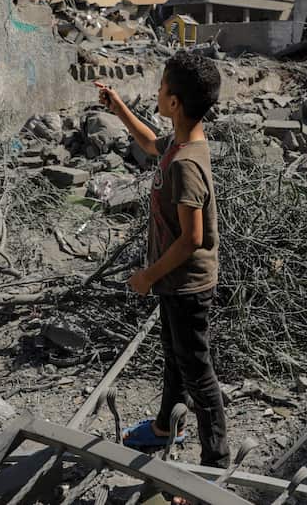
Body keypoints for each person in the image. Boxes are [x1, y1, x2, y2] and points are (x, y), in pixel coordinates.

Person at [95, 52, 230, 469]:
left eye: (161, 87)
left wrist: (146, 276)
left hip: (186, 284)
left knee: (198, 372)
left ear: (174, 103)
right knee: (175, 357)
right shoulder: (179, 142)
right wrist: (119, 108)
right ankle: (166, 428)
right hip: (175, 282)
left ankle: (215, 463)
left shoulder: (187, 164)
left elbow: (191, 239)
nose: (156, 91)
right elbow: (150, 143)